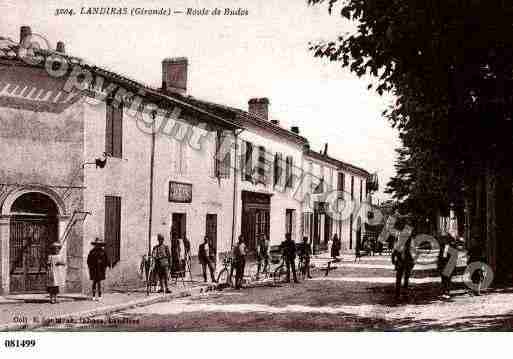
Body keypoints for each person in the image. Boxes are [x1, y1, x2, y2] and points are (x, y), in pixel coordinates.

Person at [391, 235, 415, 300]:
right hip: (401, 263)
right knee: (399, 278)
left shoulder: (409, 242)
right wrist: (394, 261)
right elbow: (393, 253)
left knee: (405, 278)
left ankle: (404, 293)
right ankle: (398, 294)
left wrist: (412, 262)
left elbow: (413, 252)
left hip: (407, 262)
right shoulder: (399, 242)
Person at [437, 232, 457, 299]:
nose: (443, 240)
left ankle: (447, 292)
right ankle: (444, 292)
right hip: (444, 264)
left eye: (444, 238)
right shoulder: (442, 246)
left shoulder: (450, 246)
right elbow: (440, 256)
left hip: (448, 264)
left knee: (447, 279)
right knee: (444, 279)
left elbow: (452, 256)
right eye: (442, 238)